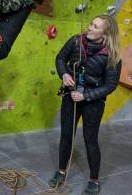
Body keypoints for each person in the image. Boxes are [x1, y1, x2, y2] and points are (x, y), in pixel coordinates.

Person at [49, 14, 122, 195]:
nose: (90, 28)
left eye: (95, 27)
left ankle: (94, 180)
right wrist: (64, 74)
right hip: (70, 95)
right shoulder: (75, 41)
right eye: (91, 24)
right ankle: (61, 171)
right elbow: (60, 58)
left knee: (90, 140)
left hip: (93, 102)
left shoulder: (112, 55)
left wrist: (86, 96)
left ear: (105, 34)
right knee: (66, 135)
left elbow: (110, 85)